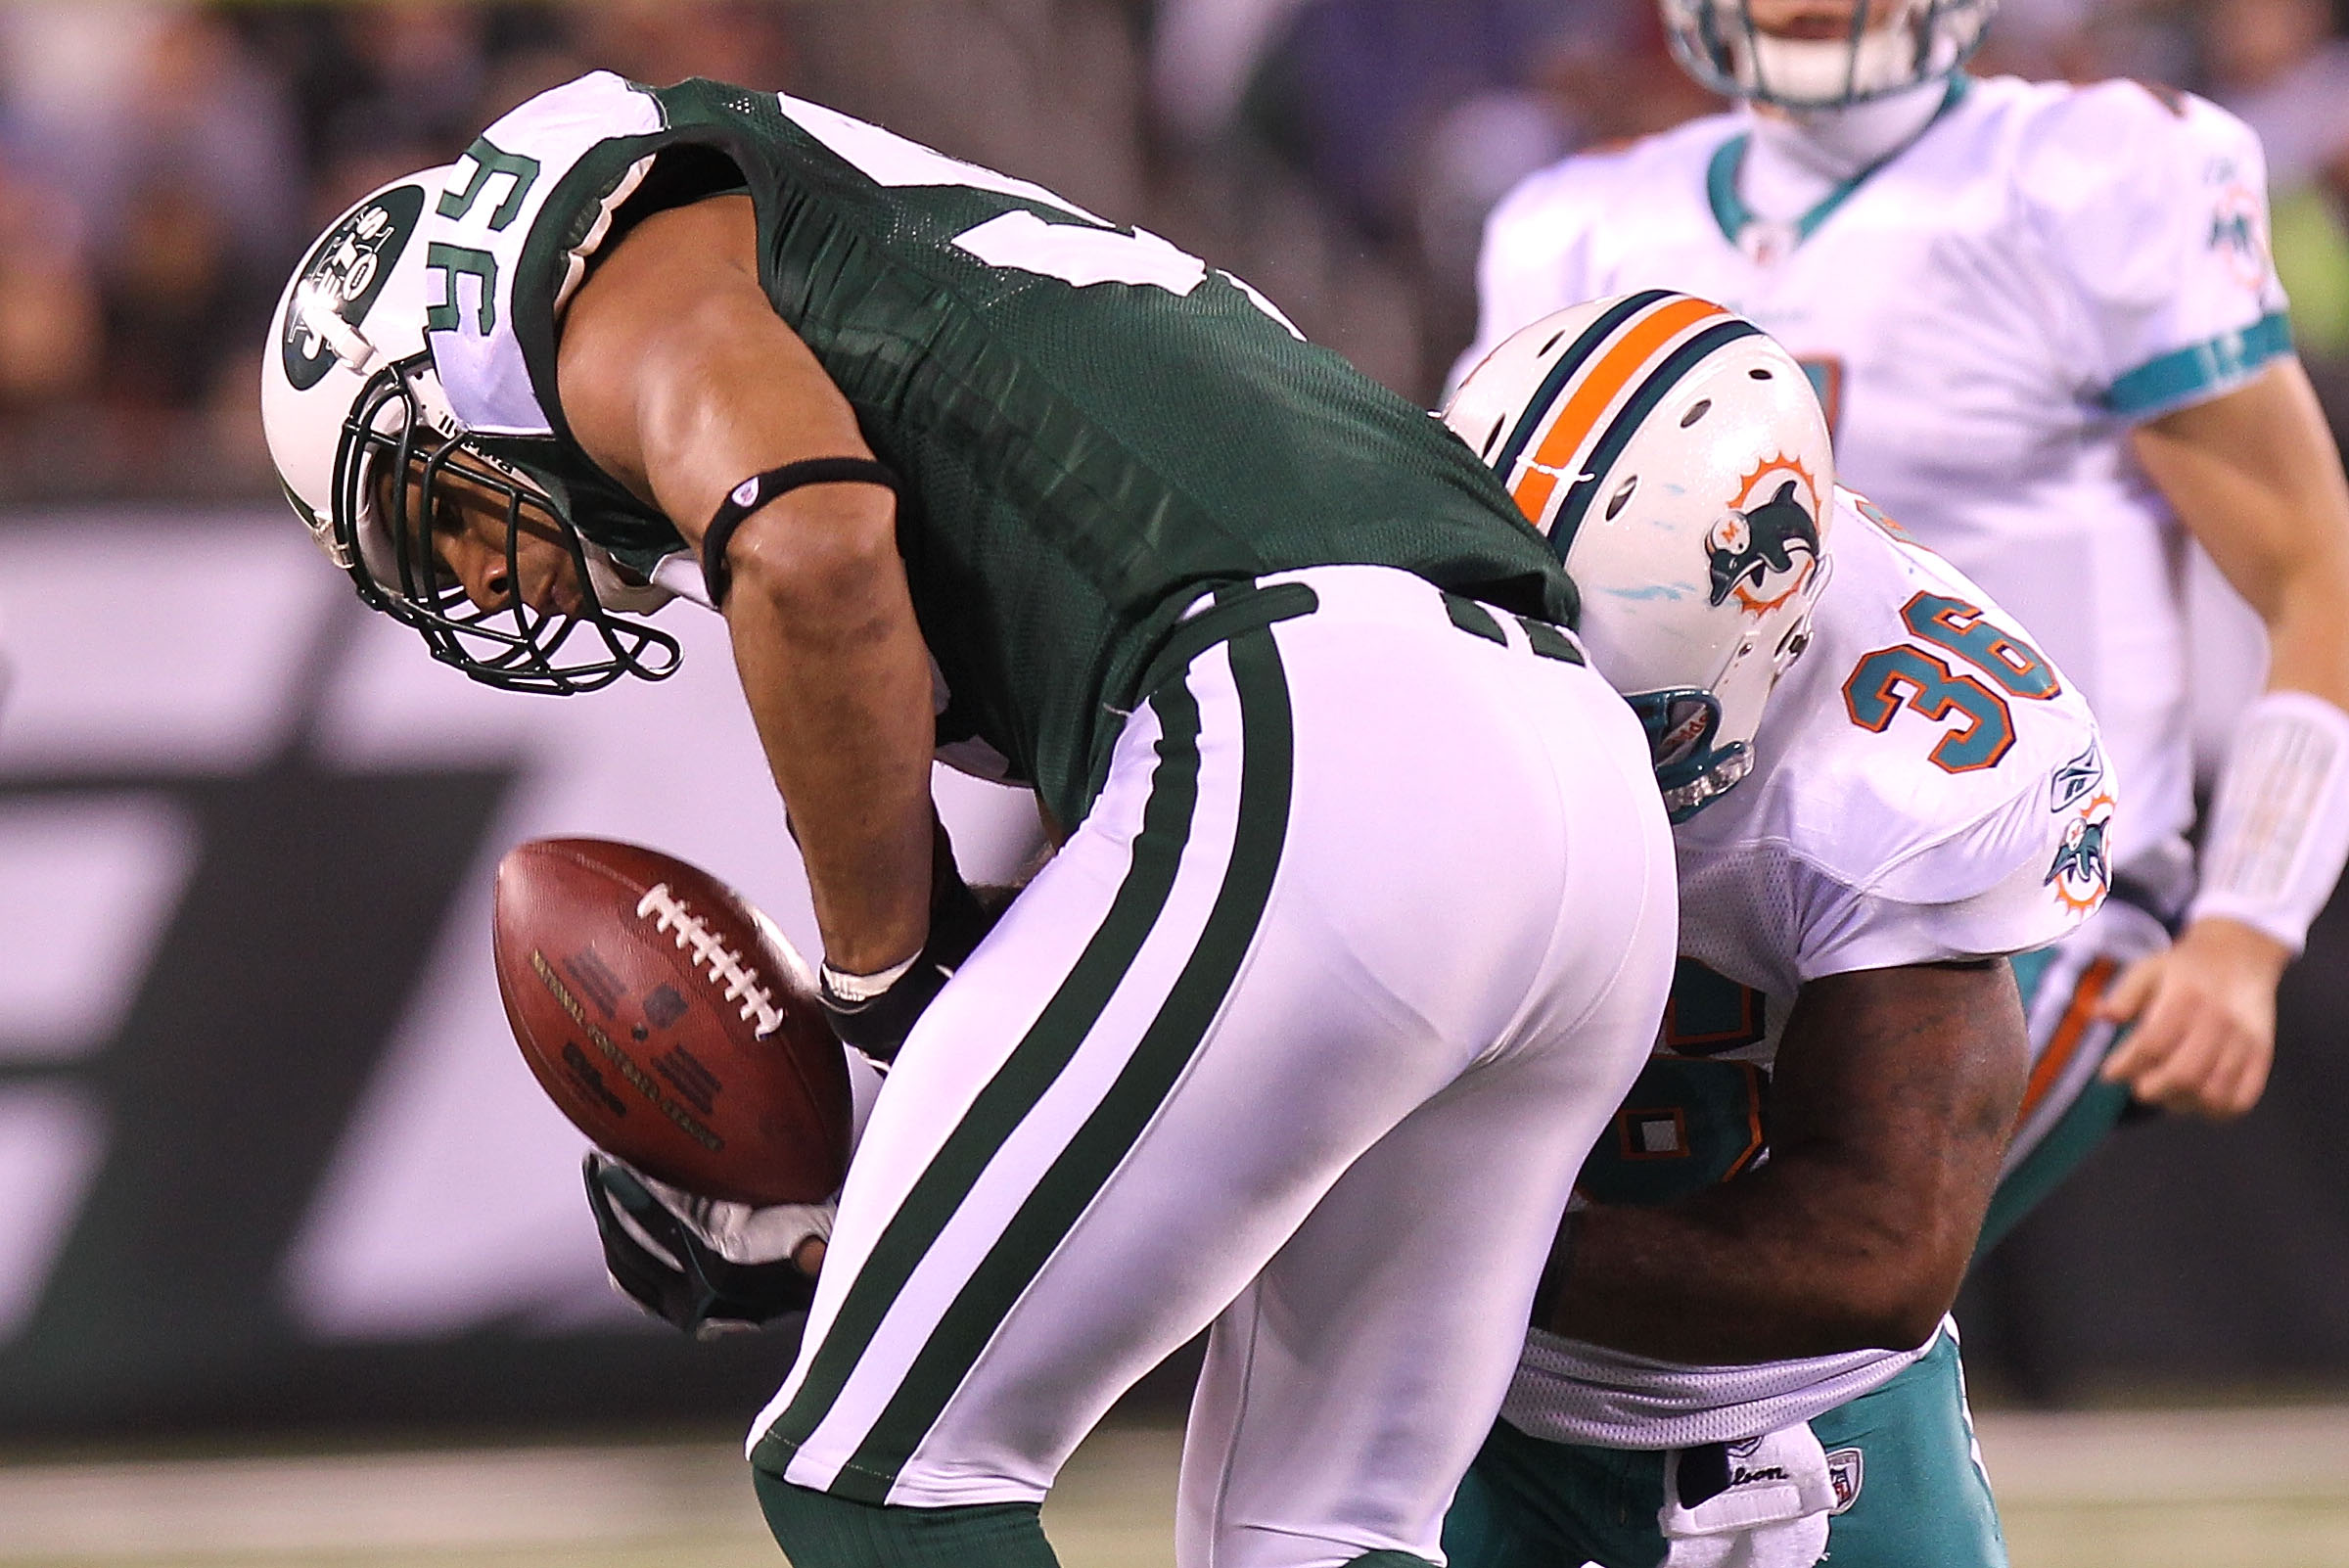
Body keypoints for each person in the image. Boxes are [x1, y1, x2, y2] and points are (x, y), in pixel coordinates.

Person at [258, 69, 1681, 1568]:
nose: (477, 581)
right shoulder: (922, 304)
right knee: (1313, 1528)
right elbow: (1178, 899)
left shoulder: (568, 274)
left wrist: (878, 984)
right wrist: (877, 1113)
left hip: (1318, 723)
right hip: (1561, 783)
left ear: (444, 364)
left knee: (870, 1473)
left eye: (438, 513)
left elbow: (809, 541)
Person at [1460, 0, 2349, 1253]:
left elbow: (2317, 570)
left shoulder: (2086, 174)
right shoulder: (1574, 224)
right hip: (1688, 905)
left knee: (1760, 1297)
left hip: (2017, 890)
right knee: (1520, 1294)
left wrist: (2247, 925)